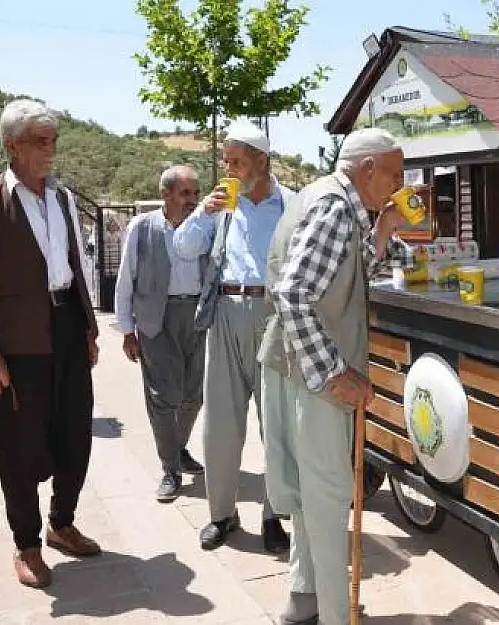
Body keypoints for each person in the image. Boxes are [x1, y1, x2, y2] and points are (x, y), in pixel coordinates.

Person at [258, 128, 416, 625]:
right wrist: (333, 375)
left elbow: (340, 273)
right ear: (367, 169)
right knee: (327, 506)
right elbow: (294, 293)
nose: (399, 183)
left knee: (307, 500)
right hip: (313, 375)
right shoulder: (333, 208)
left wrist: (385, 229)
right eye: (394, 173)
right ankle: (333, 615)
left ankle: (302, 600)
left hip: (287, 364)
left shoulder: (325, 198)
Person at [0, 99, 101, 589]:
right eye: (40, 141)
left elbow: (75, 264)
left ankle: (62, 524)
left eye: (53, 140)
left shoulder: (62, 199)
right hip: (18, 341)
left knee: (76, 434)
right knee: (19, 445)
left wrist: (88, 328)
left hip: (65, 329)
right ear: (11, 145)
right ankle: (26, 544)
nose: (50, 150)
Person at [173, 124, 296, 553]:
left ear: (262, 161)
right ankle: (221, 515)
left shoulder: (291, 205)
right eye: (226, 161)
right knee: (221, 424)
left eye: (237, 161)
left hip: (274, 317)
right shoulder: (221, 208)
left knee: (275, 425)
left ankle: (273, 514)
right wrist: (202, 212)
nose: (229, 169)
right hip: (225, 312)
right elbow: (184, 247)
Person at [114, 165, 207, 503]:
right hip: (156, 320)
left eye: (196, 193)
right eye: (185, 193)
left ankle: (178, 447)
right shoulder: (142, 227)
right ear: (165, 194)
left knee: (194, 395)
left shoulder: (204, 226)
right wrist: (127, 330)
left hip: (198, 317)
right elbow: (126, 281)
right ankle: (170, 468)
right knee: (162, 397)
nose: (192, 200)